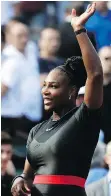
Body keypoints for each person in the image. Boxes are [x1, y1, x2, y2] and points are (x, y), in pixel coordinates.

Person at [11, 3, 103, 196]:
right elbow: (28, 175)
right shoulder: (37, 130)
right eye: (44, 85)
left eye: (53, 86)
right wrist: (19, 179)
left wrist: (79, 30)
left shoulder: (83, 118)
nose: (45, 91)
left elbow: (94, 74)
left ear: (71, 91)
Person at [1, 20, 42, 135]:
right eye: (19, 36)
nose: (24, 39)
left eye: (26, 35)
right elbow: (3, 88)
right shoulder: (8, 59)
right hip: (12, 118)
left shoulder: (31, 50)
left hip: (31, 115)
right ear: (9, 38)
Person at [1, 132, 15, 196]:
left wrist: (13, 178)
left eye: (8, 152)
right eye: (1, 151)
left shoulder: (10, 175)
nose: (5, 156)